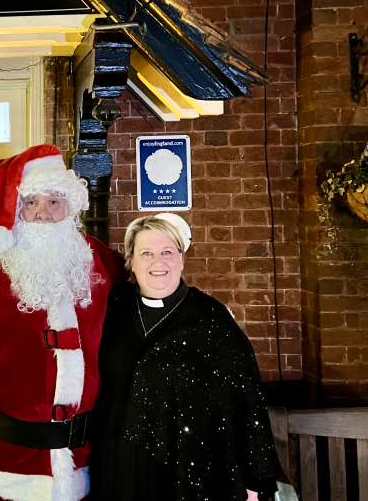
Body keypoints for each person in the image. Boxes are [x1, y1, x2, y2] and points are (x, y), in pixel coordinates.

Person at [0, 144, 126, 501]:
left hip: (80, 460)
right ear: (16, 209)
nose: (43, 214)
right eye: (31, 202)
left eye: (54, 201)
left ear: (71, 204)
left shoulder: (100, 259)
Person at [89, 214, 282, 501]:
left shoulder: (211, 319)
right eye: (146, 253)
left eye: (167, 252)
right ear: (131, 260)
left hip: (186, 469)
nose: (158, 262)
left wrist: (255, 481)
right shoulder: (110, 308)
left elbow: (246, 402)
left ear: (181, 259)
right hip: (119, 464)